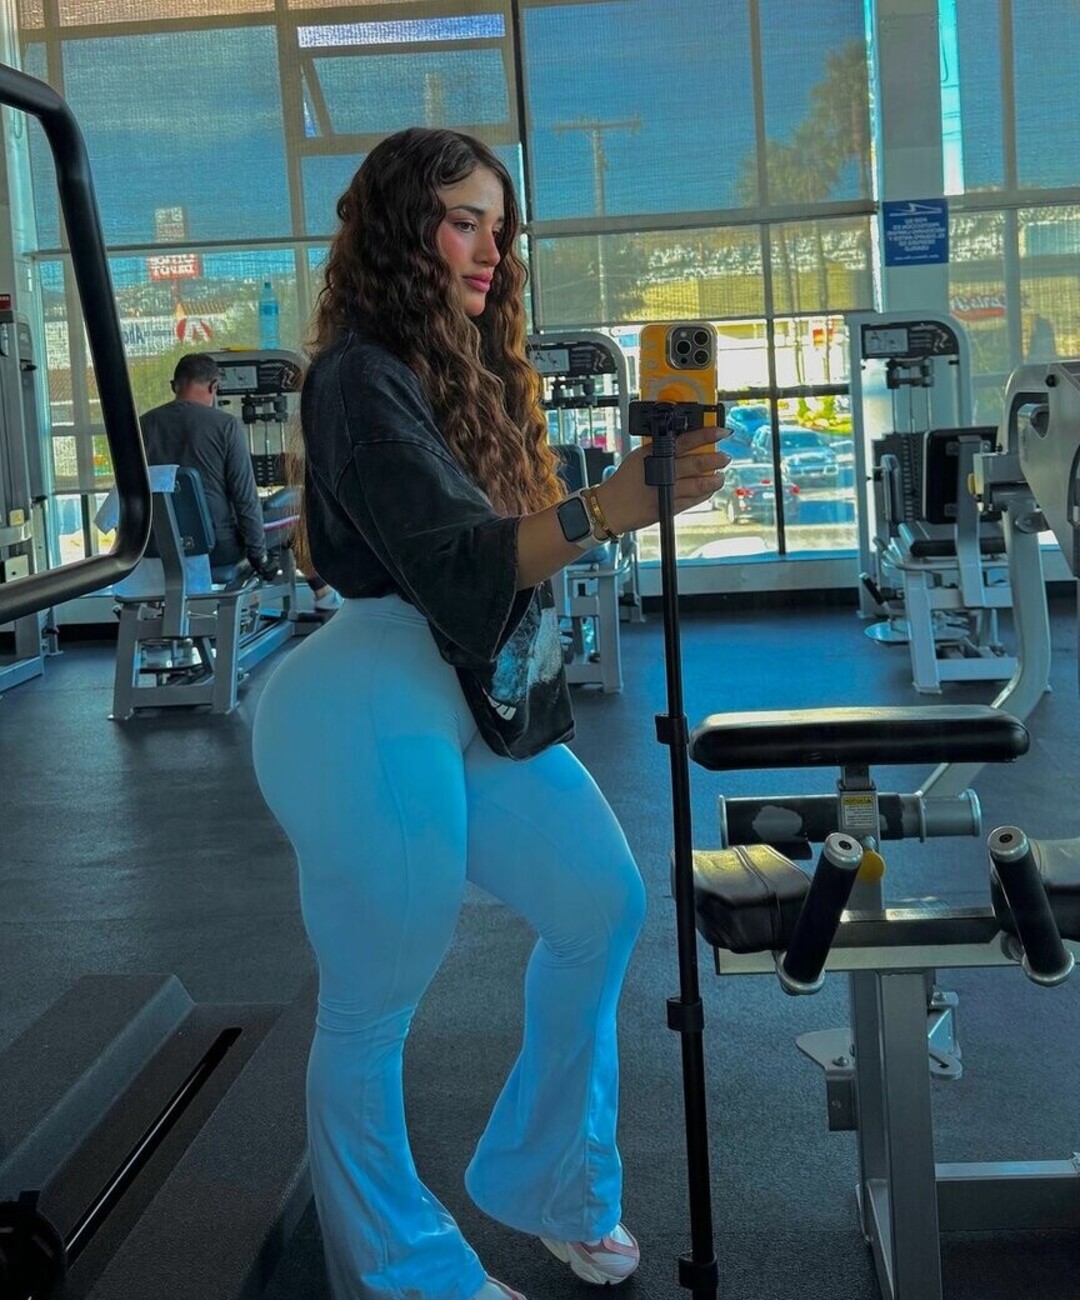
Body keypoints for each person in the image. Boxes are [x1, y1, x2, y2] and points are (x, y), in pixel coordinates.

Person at [251, 127, 728, 1300]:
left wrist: (617, 501)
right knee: (375, 1000)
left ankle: (549, 1179)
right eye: (463, 221)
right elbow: (460, 561)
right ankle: (404, 1270)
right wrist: (607, 508)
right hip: (367, 696)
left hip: (466, 686)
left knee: (600, 901)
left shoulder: (461, 369)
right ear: (401, 231)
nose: (487, 250)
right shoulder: (355, 376)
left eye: (498, 228)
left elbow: (499, 568)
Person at [139, 352, 276, 579]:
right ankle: (323, 594)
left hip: (158, 547)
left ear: (174, 386)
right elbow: (245, 498)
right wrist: (259, 556)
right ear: (214, 386)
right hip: (217, 549)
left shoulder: (142, 425)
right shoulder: (226, 425)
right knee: (292, 517)